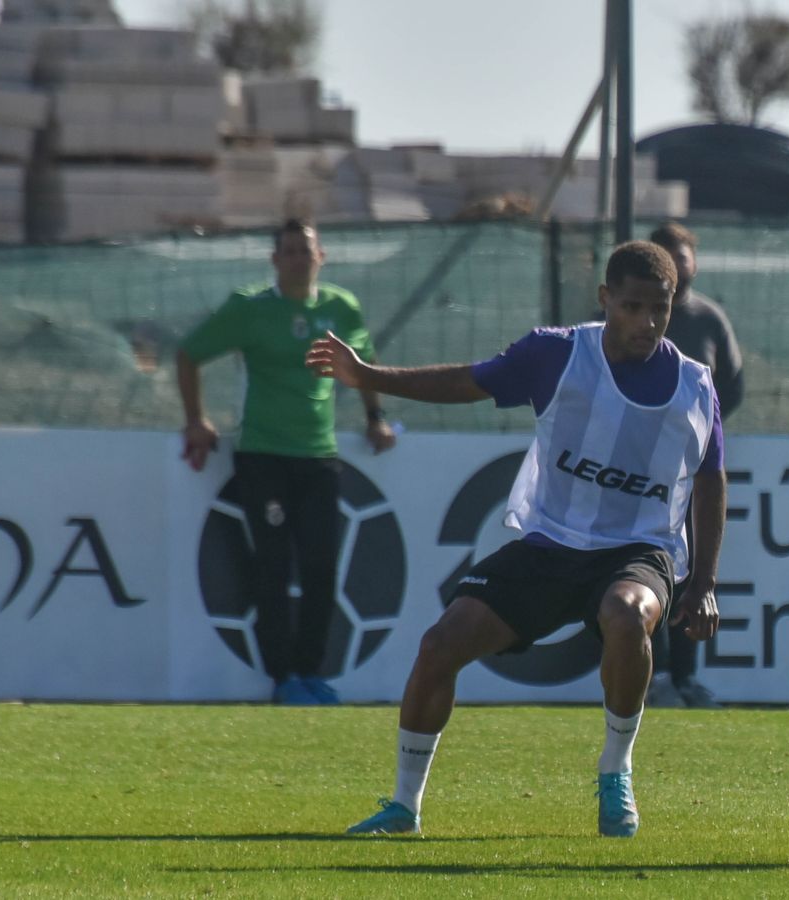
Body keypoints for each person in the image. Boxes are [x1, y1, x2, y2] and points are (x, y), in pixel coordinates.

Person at [310, 240, 725, 839]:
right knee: (438, 645)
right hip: (550, 545)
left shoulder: (694, 385)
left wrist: (704, 582)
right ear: (606, 299)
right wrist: (369, 376)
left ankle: (616, 769)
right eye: (633, 306)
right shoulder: (555, 354)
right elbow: (468, 381)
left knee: (628, 614)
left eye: (659, 308)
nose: (648, 322)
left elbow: (712, 481)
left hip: (638, 550)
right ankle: (403, 807)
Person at [177, 219, 397, 706]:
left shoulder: (342, 307)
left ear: (323, 257)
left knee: (321, 567)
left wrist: (376, 418)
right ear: (275, 260)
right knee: (274, 565)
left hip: (319, 456)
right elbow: (189, 354)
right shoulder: (249, 309)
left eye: (307, 250)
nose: (299, 258)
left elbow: (364, 368)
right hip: (263, 455)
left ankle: (311, 673)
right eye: (290, 251)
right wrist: (197, 420)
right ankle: (282, 678)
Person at [645, 221, 745, 710]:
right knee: (644, 571)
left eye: (683, 259)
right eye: (668, 259)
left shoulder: (708, 318)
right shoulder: (625, 319)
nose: (679, 269)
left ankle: (684, 677)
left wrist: (704, 436)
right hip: (638, 471)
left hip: (689, 473)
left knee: (690, 572)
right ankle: (653, 674)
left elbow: (733, 386)